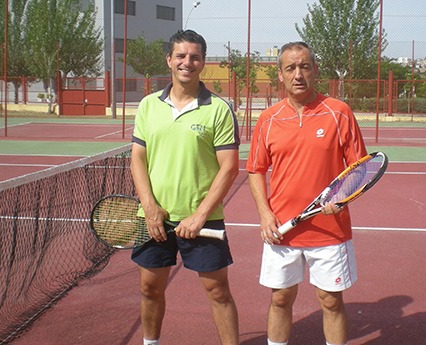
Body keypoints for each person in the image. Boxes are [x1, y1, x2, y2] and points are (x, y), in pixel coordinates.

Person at [246, 41, 368, 345]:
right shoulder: (268, 119)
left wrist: (343, 199)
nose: (298, 74)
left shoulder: (339, 113)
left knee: (330, 301)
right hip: (282, 229)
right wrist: (265, 214)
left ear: (315, 70)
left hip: (329, 230)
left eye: (304, 66)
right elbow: (255, 170)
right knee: (280, 299)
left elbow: (360, 168)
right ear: (280, 75)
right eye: (290, 68)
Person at [130, 29, 240, 345]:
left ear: (203, 62)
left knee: (218, 291)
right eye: (180, 55)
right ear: (169, 60)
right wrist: (149, 208)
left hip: (203, 220)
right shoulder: (149, 105)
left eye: (194, 56)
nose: (186, 62)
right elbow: (138, 159)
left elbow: (229, 168)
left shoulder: (218, 109)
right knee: (149, 289)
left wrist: (199, 216)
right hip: (154, 220)